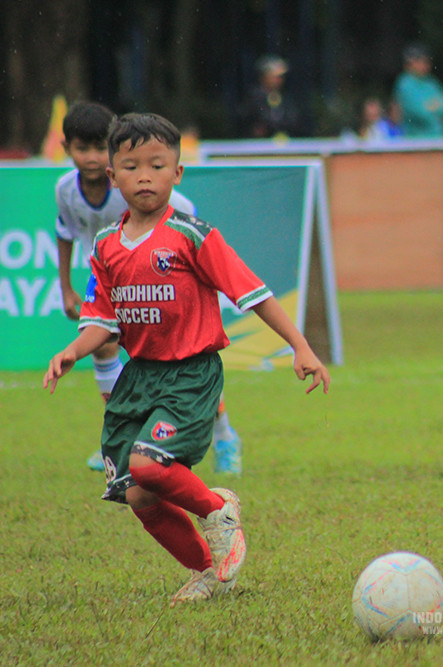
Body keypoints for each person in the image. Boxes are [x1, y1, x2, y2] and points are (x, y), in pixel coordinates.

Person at [43, 112, 331, 604]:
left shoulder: (193, 235)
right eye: (131, 167)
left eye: (158, 165)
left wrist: (300, 346)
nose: (145, 176)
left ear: (178, 173)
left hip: (191, 375)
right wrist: (73, 350)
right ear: (112, 176)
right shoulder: (107, 244)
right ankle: (204, 570)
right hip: (140, 378)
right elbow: (103, 319)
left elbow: (253, 292)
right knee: (138, 493)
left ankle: (219, 506)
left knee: (151, 467)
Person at [55, 101, 244, 475]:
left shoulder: (158, 194)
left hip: (168, 277)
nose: (91, 158)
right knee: (103, 346)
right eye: (82, 148)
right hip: (113, 271)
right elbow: (64, 232)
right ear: (67, 149)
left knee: (183, 359)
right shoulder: (66, 190)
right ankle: (118, 432)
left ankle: (224, 435)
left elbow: (193, 236)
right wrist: (66, 288)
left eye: (98, 147)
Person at [392, 43, 443, 138]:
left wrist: (429, 106)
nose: (425, 64)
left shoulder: (431, 82)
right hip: (416, 142)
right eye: (421, 61)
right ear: (411, 62)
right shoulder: (404, 83)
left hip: (439, 139)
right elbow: (420, 112)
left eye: (426, 61)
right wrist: (436, 106)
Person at [241, 55, 308, 139]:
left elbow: (295, 120)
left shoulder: (286, 97)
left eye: (281, 77)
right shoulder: (253, 97)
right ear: (264, 76)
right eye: (275, 77)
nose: (279, 80)